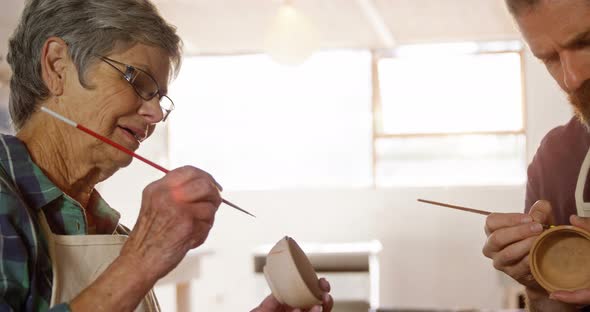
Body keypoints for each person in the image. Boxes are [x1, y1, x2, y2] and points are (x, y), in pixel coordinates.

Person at [0, 0, 334, 311]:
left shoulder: (111, 233)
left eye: (159, 98)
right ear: (58, 67)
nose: (156, 115)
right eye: (138, 81)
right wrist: (141, 261)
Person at [482, 0, 590, 311]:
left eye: (585, 42)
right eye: (550, 59)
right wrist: (542, 285)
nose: (571, 78)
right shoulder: (556, 158)